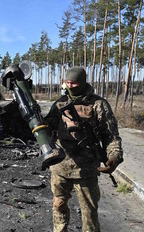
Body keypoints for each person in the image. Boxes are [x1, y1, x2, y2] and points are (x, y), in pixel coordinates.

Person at [44, 66, 123, 232]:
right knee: (58, 205)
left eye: (74, 83)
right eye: (68, 83)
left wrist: (114, 156)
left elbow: (110, 135)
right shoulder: (59, 103)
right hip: (60, 166)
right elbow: (47, 129)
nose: (71, 86)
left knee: (89, 214)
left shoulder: (98, 104)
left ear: (83, 82)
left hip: (86, 168)